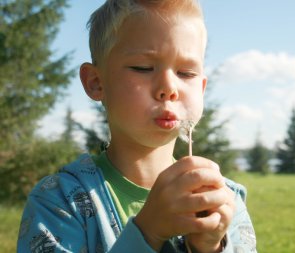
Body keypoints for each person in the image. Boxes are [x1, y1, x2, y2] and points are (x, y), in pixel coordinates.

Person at [17, 0, 257, 252]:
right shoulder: (58, 202)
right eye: (142, 68)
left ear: (202, 88)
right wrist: (148, 232)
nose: (169, 88)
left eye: (186, 73)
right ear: (96, 83)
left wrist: (210, 247)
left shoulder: (223, 201)